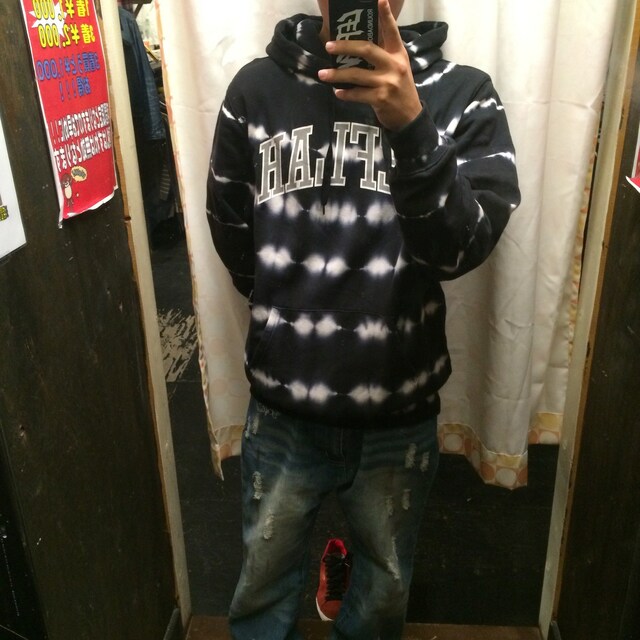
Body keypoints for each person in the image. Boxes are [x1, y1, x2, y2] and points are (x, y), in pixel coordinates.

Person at [206, 1, 520, 638]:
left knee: (381, 596)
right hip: (283, 408)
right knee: (261, 592)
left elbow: (461, 251)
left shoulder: (464, 95)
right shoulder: (255, 91)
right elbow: (232, 230)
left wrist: (411, 125)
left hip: (397, 413)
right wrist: (289, 316)